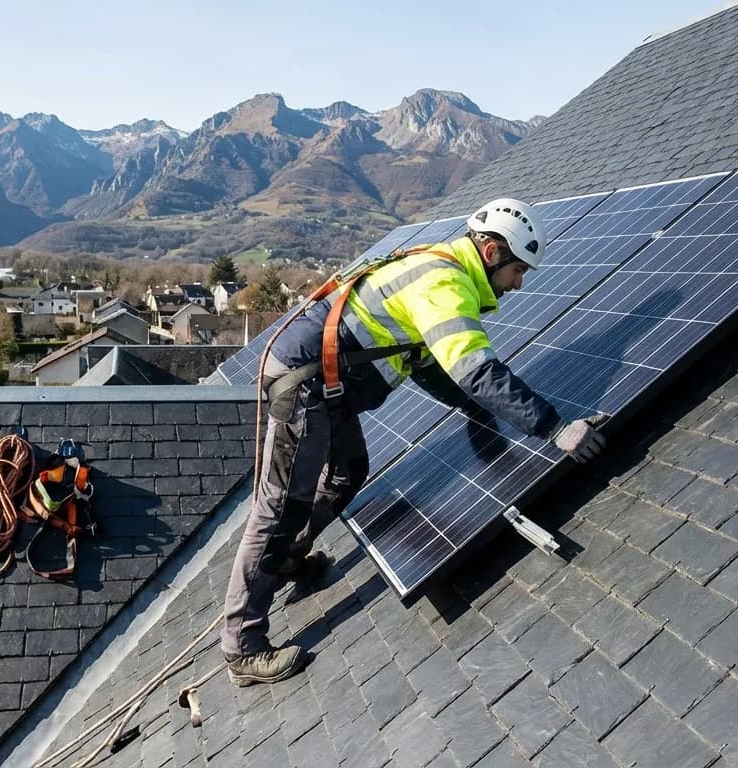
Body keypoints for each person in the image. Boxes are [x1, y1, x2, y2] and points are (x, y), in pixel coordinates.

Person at [221, 198, 606, 686]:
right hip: (305, 384)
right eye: (516, 270)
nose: (519, 284)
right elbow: (476, 369)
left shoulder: (441, 267)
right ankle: (243, 649)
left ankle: (288, 556)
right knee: (278, 506)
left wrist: (476, 405)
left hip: (324, 382)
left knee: (347, 472)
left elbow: (430, 366)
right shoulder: (443, 282)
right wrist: (553, 427)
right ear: (490, 252)